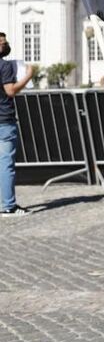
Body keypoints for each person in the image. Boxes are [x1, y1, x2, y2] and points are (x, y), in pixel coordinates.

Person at [1, 32, 34, 217]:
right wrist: (28, 76)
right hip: (4, 120)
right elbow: (10, 90)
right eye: (2, 43)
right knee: (6, 164)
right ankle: (8, 206)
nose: (5, 45)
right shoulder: (4, 66)